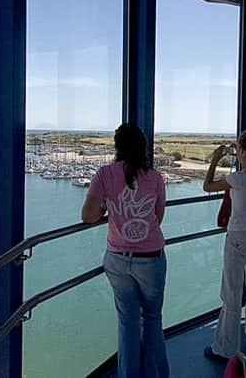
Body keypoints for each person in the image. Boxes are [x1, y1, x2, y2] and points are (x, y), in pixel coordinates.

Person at [82, 123, 168, 378]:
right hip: (151, 259)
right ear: (143, 149)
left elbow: (88, 215)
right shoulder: (155, 178)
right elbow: (158, 217)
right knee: (152, 319)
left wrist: (109, 211)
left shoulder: (105, 174)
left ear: (117, 147)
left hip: (118, 260)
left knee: (128, 322)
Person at [202, 130, 246, 361]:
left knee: (231, 293)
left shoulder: (238, 179)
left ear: (243, 151)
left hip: (238, 237)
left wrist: (215, 159)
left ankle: (225, 348)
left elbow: (207, 186)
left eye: (239, 148)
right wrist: (239, 153)